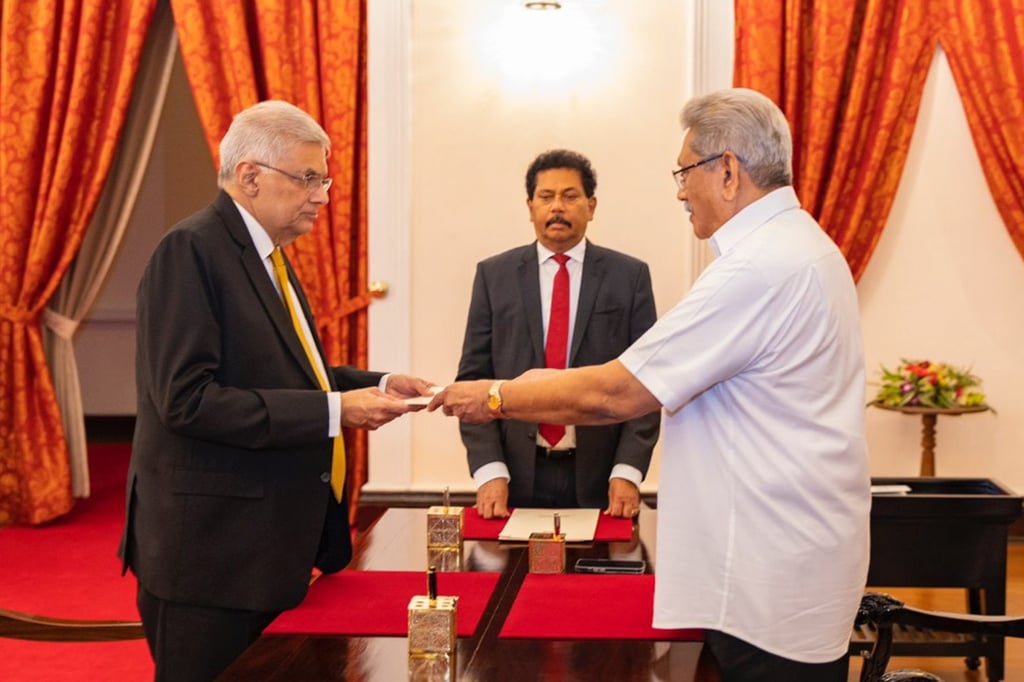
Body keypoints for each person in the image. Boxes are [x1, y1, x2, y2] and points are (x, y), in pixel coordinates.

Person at [431, 88, 870, 681]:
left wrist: (493, 396)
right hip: (782, 562)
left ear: (729, 170)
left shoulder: (758, 268)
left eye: (686, 171)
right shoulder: (799, 247)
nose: (681, 190)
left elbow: (616, 392)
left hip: (766, 576)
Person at [118, 100, 434, 682]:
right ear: (250, 176)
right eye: (308, 178)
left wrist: (379, 383)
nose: (322, 195)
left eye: (325, 179)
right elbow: (187, 400)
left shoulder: (268, 257)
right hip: (210, 560)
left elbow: (289, 375)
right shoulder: (190, 251)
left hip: (263, 551)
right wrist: (337, 410)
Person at [456, 149, 659, 519]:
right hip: (514, 475)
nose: (557, 208)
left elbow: (646, 383)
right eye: (546, 197)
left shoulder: (628, 277)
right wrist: (489, 470)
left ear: (591, 205)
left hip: (602, 478)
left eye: (570, 196)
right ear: (530, 205)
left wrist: (628, 471)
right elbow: (474, 379)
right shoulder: (494, 276)